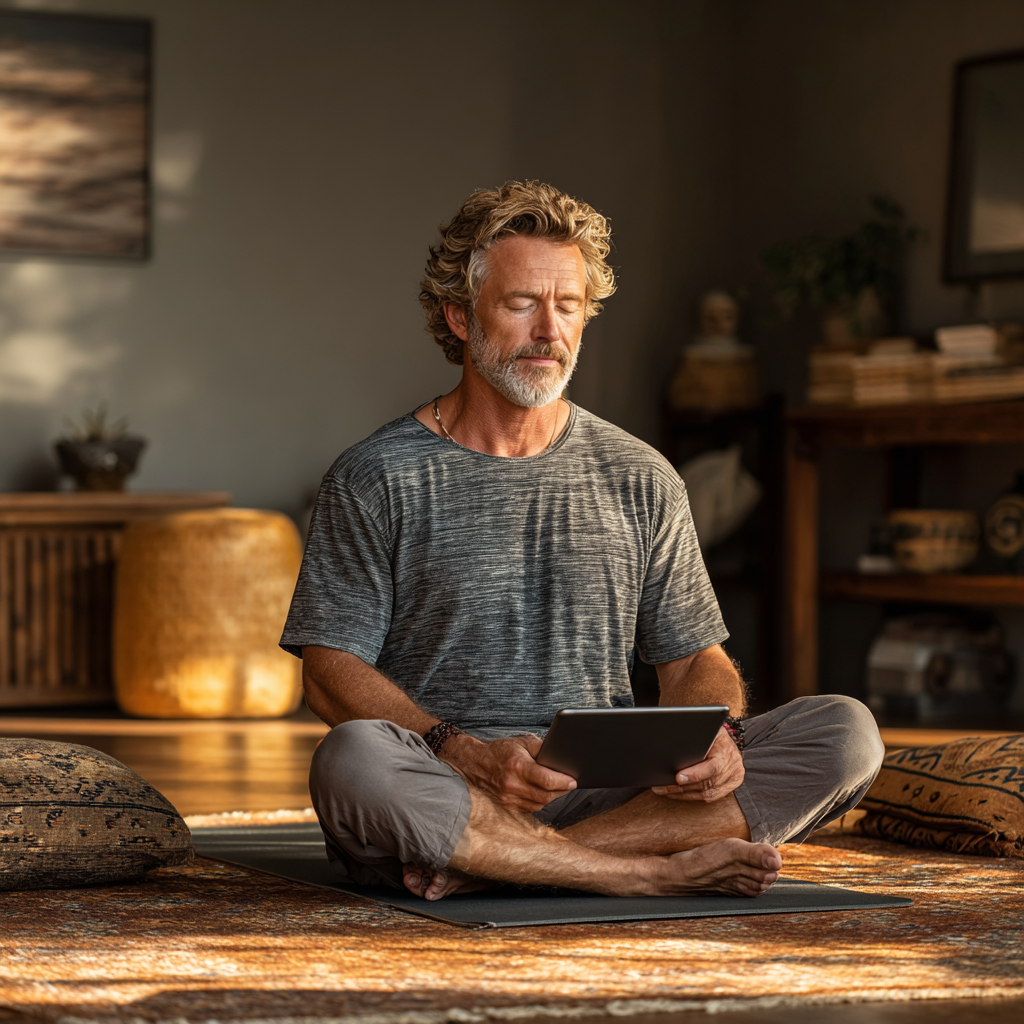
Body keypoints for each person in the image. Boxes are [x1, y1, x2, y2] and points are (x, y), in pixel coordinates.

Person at [280, 181, 884, 902]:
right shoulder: (374, 476)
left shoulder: (641, 475)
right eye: (520, 303)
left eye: (568, 306)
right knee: (352, 758)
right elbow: (328, 671)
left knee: (847, 733)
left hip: (613, 796)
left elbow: (694, 658)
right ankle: (641, 873)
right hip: (446, 790)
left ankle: (510, 866)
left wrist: (716, 731)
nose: (550, 331)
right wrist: (463, 752)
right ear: (460, 317)